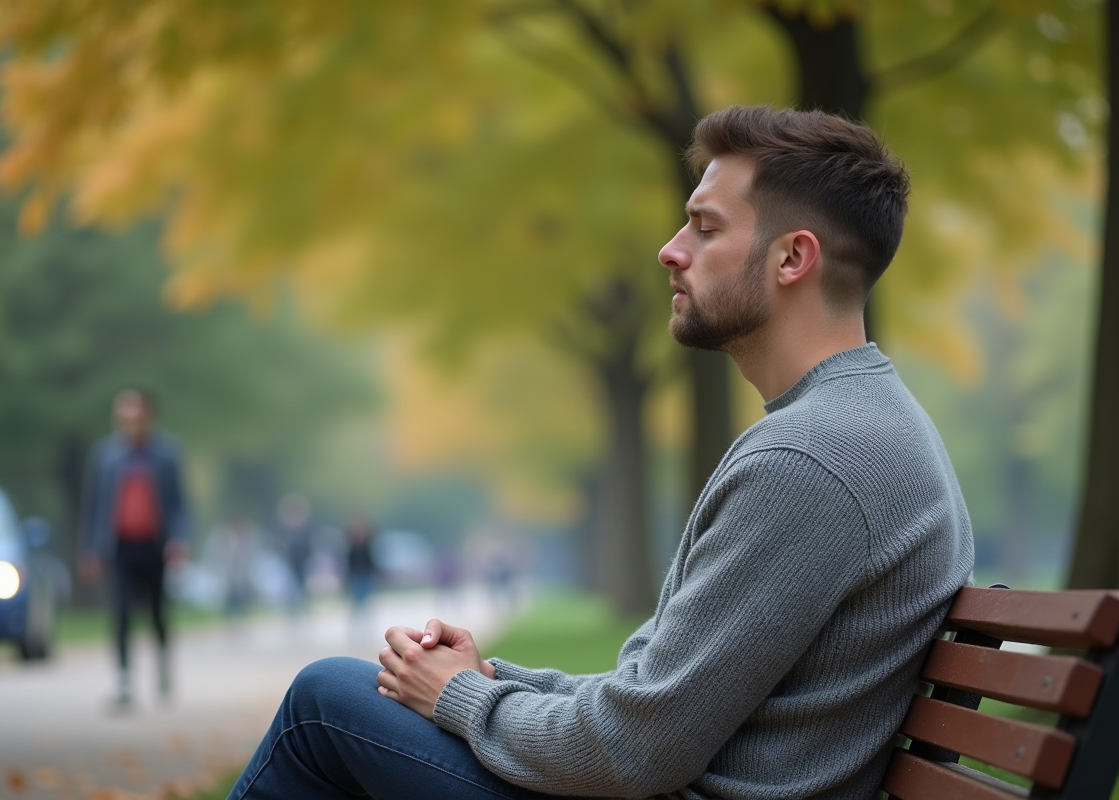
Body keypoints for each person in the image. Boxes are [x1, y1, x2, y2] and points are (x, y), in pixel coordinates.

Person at [227, 105, 975, 800]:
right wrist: (489, 676)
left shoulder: (812, 461)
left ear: (791, 259)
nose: (670, 251)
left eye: (705, 229)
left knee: (322, 704)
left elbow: (633, 749)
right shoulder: (850, 425)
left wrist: (458, 696)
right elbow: (650, 694)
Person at [79, 388, 189, 707]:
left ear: (149, 417)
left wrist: (179, 540)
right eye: (124, 417)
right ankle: (124, 679)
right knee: (121, 612)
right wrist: (89, 548)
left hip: (155, 545)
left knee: (157, 611)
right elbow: (94, 504)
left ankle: (163, 666)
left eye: (136, 417)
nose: (130, 424)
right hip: (119, 546)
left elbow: (180, 505)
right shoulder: (106, 456)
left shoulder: (167, 454)